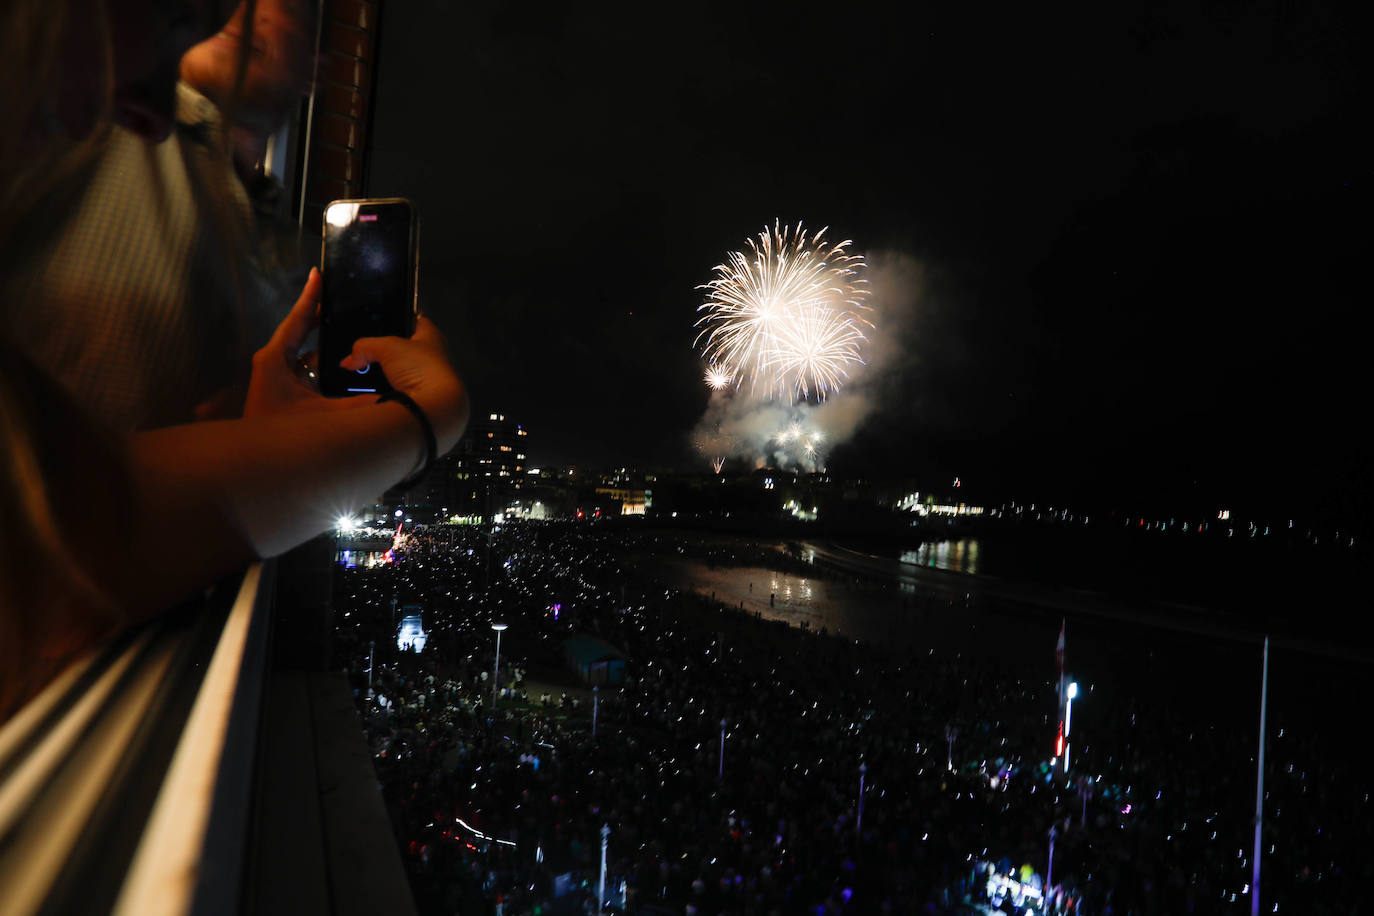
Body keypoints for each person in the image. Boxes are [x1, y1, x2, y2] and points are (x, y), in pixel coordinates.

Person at [0, 0, 469, 720]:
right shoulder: (141, 167)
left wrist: (254, 432)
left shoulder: (253, 219)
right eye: (169, 22)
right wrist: (422, 421)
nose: (152, 114)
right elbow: (77, 532)